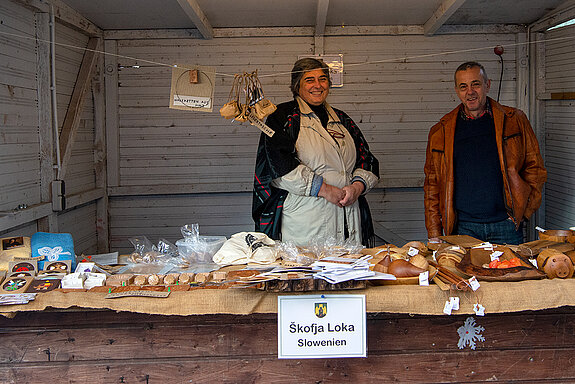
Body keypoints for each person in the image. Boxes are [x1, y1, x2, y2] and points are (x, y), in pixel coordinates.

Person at [252, 58, 379, 247]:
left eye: (323, 79)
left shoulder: (342, 119)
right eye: (309, 80)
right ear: (297, 85)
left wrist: (357, 187)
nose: (318, 85)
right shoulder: (283, 117)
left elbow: (367, 159)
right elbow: (278, 166)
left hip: (348, 216)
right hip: (306, 221)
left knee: (348, 271)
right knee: (308, 272)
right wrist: (325, 190)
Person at [424, 61, 547, 245]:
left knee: (510, 273)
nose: (470, 92)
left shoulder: (515, 120)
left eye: (476, 84)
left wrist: (524, 212)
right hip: (462, 228)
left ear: (487, 85)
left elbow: (535, 169)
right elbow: (432, 186)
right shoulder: (440, 131)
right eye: (463, 86)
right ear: (457, 90)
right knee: (464, 275)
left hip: (505, 226)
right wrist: (435, 231)